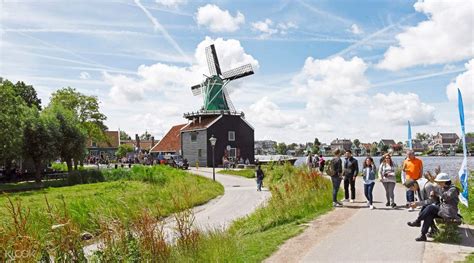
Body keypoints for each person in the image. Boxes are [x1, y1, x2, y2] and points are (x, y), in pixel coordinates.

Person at [407, 173, 460, 241]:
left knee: (430, 207)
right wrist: (434, 195)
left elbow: (446, 197)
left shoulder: (453, 189)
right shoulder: (443, 188)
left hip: (449, 212)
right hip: (443, 210)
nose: (438, 184)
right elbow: (440, 198)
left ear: (444, 182)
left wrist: (437, 191)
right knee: (429, 214)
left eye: (439, 182)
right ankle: (423, 235)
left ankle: (418, 221)